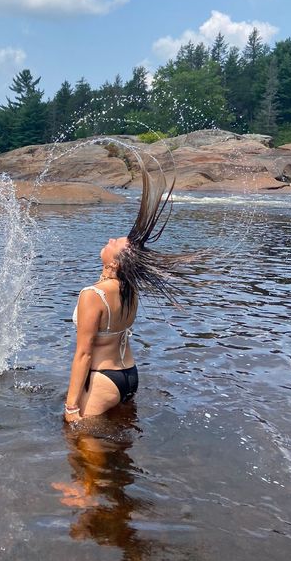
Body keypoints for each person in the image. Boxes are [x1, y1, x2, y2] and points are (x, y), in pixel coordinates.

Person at [65, 165, 196, 421]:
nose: (111, 238)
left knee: (81, 449)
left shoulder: (92, 294)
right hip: (128, 374)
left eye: (115, 243)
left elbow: (84, 353)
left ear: (114, 264)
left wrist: (71, 407)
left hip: (103, 377)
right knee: (120, 448)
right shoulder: (130, 288)